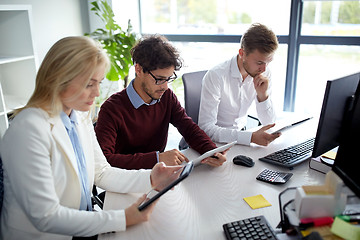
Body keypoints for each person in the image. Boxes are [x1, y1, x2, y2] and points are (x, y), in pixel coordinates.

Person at [0, 36, 183, 240]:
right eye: (89, 84)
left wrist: (151, 178)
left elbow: (102, 173)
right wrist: (122, 218)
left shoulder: (78, 116)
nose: (97, 93)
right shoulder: (27, 130)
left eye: (99, 83)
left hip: (82, 225)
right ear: (59, 79)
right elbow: (45, 216)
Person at [95, 34, 227, 170]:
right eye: (159, 79)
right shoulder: (111, 109)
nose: (164, 86)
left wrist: (211, 151)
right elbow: (105, 160)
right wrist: (157, 159)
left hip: (159, 173)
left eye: (168, 79)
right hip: (126, 179)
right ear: (139, 70)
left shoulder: (166, 96)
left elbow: (188, 128)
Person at [198, 23, 281, 147]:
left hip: (242, 140)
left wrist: (263, 96)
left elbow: (269, 124)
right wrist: (250, 137)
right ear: (242, 53)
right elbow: (206, 129)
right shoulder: (216, 76)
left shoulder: (264, 73)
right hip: (216, 143)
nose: (263, 69)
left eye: (268, 62)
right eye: (259, 62)